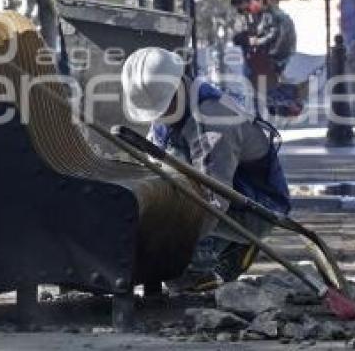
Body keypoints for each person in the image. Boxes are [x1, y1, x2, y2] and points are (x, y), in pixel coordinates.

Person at [120, 47, 291, 291]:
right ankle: (220, 250)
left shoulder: (212, 119)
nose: (161, 116)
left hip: (256, 208)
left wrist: (170, 240)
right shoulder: (172, 104)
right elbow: (156, 166)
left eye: (165, 107)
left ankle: (219, 256)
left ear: (179, 84)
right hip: (210, 193)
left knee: (179, 271)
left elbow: (215, 200)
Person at [264, 0, 296, 75]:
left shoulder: (278, 16)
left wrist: (273, 51)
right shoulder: (275, 15)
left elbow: (283, 35)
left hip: (278, 57)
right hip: (282, 56)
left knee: (267, 81)